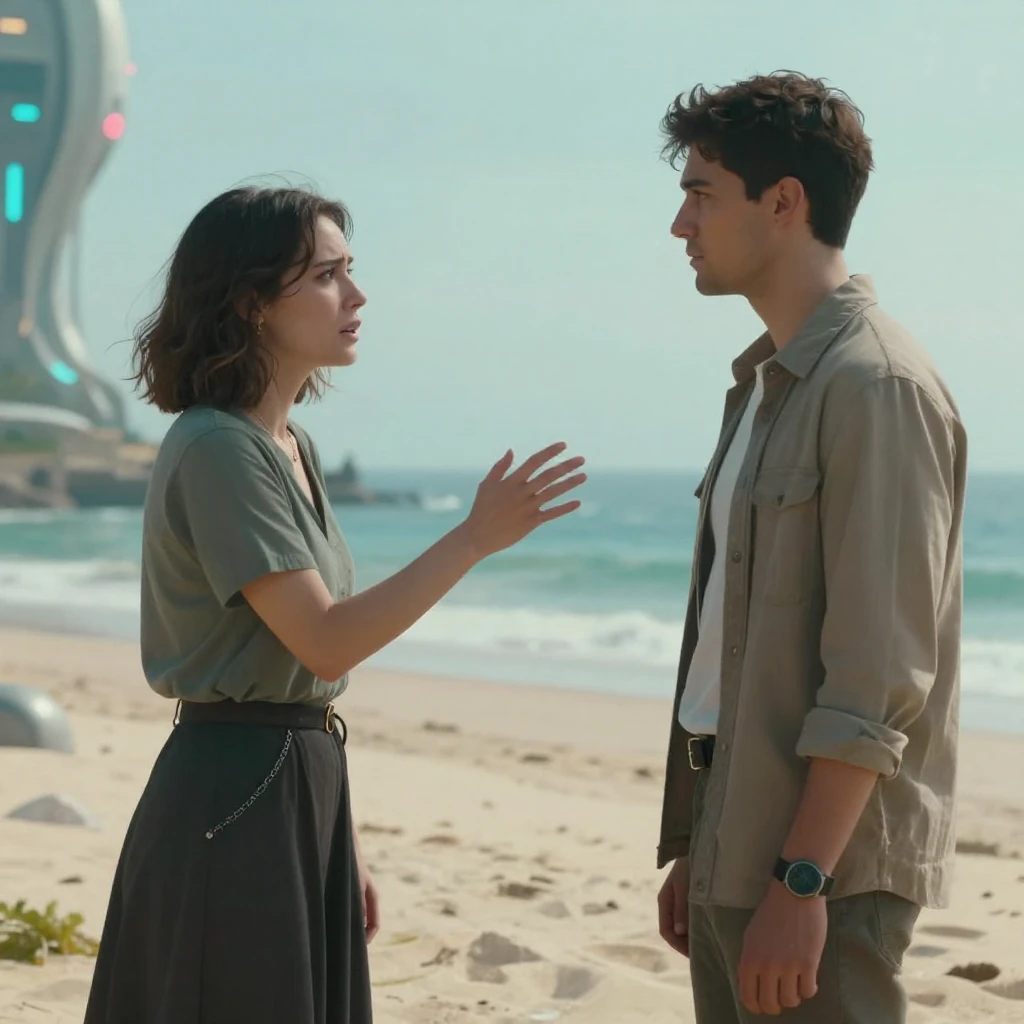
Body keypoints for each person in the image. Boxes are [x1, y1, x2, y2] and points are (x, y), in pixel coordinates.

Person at [83, 185, 586, 1024]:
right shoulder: (217, 447)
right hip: (231, 790)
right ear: (252, 302)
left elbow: (302, 680)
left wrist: (339, 839)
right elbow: (323, 641)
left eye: (350, 270)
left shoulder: (289, 446)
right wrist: (471, 538)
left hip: (293, 779)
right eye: (325, 276)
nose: (356, 295)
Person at [653, 72, 966, 1022]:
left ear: (784, 201)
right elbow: (730, 640)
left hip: (824, 879)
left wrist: (800, 881)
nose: (680, 223)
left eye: (701, 193)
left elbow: (879, 676)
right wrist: (698, 843)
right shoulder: (765, 388)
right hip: (737, 847)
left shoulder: (877, 387)